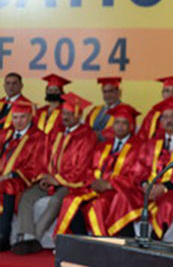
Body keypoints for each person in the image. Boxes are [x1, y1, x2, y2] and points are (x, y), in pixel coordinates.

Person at [11, 92, 96, 255]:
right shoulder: (56, 133)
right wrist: (44, 176)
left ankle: (34, 238)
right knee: (27, 196)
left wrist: (57, 180)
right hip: (49, 179)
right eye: (64, 113)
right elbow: (44, 157)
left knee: (57, 200)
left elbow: (81, 168)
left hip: (70, 184)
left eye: (70, 114)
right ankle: (27, 235)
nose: (65, 117)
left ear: (79, 115)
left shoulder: (87, 136)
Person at [105, 97, 173, 239]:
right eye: (165, 117)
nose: (169, 120)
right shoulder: (152, 143)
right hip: (149, 189)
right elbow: (140, 169)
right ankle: (125, 240)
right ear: (160, 121)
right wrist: (145, 184)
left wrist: (164, 187)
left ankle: (155, 241)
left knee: (168, 203)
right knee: (122, 196)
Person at [54, 104, 143, 237]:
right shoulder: (104, 145)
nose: (120, 126)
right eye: (117, 122)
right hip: (96, 187)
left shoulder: (139, 147)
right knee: (70, 200)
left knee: (97, 206)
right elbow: (91, 168)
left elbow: (137, 174)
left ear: (131, 126)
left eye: (124, 123)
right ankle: (81, 241)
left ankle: (102, 244)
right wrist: (93, 182)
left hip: (120, 190)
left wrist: (109, 184)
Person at [0, 101, 45, 251]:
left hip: (23, 179)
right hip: (3, 176)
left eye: (22, 117)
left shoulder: (38, 137)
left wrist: (11, 174)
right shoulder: (7, 134)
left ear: (30, 117)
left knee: (8, 186)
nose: (18, 121)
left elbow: (37, 165)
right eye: (15, 117)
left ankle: (3, 235)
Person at [85, 76, 122, 141]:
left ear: (118, 92)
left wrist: (96, 135)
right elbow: (86, 127)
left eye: (110, 91)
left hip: (110, 147)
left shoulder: (124, 111)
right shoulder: (96, 110)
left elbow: (120, 132)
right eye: (105, 92)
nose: (107, 95)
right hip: (91, 145)